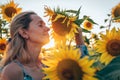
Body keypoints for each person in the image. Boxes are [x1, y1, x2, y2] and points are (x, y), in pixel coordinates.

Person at [0, 11, 88, 80]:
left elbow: (83, 67)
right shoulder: (13, 71)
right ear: (24, 33)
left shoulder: (48, 64)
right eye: (40, 25)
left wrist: (78, 35)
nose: (48, 28)